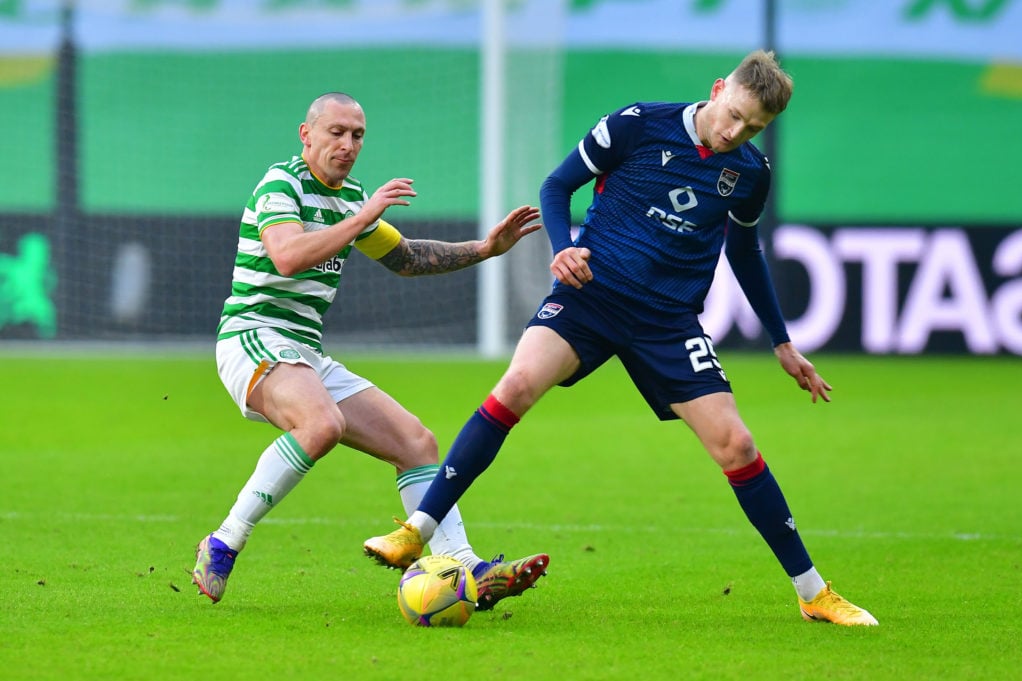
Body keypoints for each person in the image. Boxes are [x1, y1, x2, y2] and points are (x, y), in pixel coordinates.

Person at [364, 51, 878, 626]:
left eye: (754, 127)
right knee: (517, 385)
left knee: (737, 446)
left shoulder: (750, 173)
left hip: (667, 320)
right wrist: (562, 247)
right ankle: (418, 529)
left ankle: (812, 594)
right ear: (717, 89)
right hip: (592, 294)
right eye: (733, 114)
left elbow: (744, 251)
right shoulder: (637, 124)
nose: (736, 132)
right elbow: (557, 186)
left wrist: (781, 341)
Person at [192, 91, 549, 608]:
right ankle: (224, 541)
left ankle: (466, 571)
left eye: (357, 135)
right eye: (336, 132)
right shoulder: (282, 184)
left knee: (416, 443)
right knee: (321, 425)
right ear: (306, 134)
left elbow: (405, 258)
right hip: (253, 334)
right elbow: (287, 256)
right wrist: (362, 218)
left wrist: (485, 249)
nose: (347, 144)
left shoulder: (352, 196)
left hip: (303, 350)